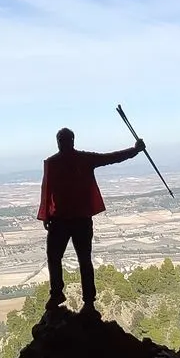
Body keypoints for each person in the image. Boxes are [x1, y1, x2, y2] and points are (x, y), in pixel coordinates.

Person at [38, 127, 145, 314]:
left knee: (57, 258)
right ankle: (87, 300)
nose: (62, 142)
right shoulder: (82, 159)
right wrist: (135, 150)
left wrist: (46, 216)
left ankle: (60, 294)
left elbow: (46, 191)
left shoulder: (53, 163)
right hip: (78, 220)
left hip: (62, 220)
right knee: (83, 260)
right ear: (72, 140)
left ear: (62, 141)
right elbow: (111, 158)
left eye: (62, 139)